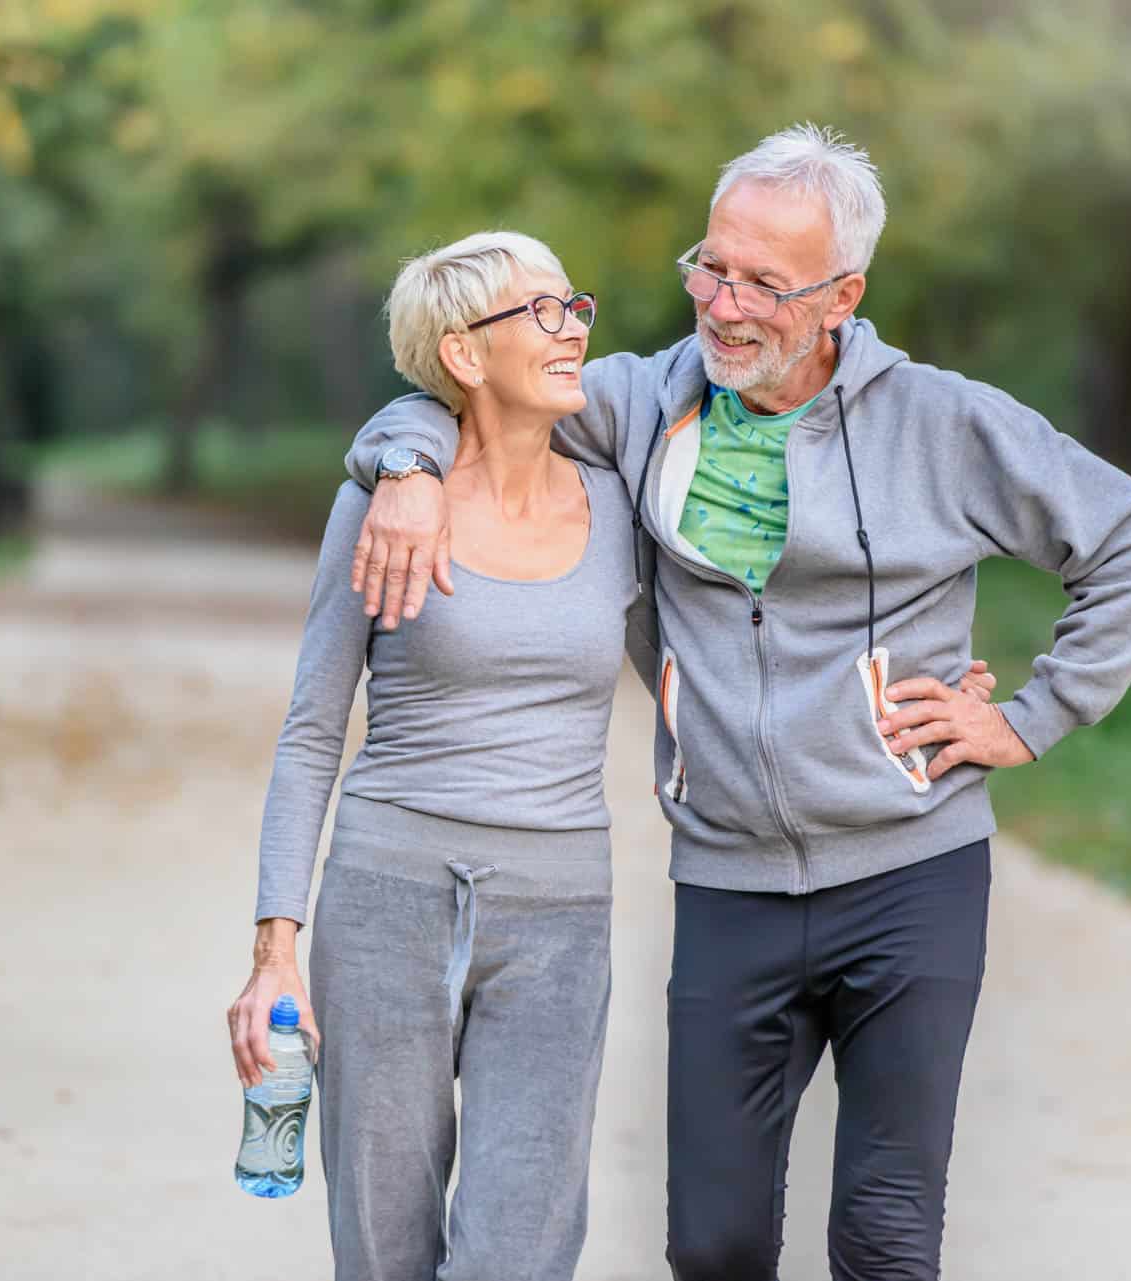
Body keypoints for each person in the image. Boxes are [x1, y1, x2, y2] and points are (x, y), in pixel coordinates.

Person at [342, 124, 1131, 1280]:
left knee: (887, 1235)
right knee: (715, 1244)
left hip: (911, 872)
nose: (725, 305)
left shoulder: (941, 424)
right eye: (712, 267)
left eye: (764, 283)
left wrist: (1030, 718)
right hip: (730, 878)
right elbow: (461, 392)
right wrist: (404, 470)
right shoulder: (637, 402)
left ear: (842, 296)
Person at [226, 229, 997, 1280]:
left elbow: (737, 650)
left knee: (520, 1252)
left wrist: (912, 688)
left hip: (558, 915)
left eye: (574, 306)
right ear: (463, 354)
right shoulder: (383, 507)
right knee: (384, 1247)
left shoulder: (619, 504)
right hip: (385, 902)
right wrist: (275, 949)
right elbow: (314, 726)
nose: (574, 331)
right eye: (541, 312)